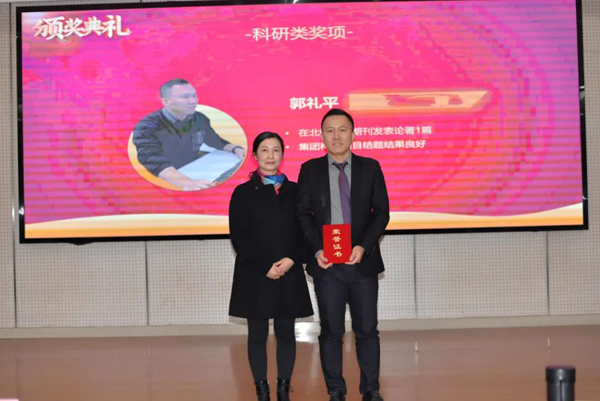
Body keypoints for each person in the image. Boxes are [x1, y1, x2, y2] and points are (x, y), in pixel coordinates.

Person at [296, 109, 390, 401]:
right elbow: (303, 214)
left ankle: (371, 389)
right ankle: (335, 390)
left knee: (367, 330)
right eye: (330, 130)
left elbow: (381, 213)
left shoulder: (370, 167)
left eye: (342, 130)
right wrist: (316, 249)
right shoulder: (309, 170)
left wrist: (363, 246)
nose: (336, 136)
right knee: (331, 332)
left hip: (362, 264)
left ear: (352, 134)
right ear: (321, 135)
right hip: (327, 266)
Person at [229, 132, 314, 401]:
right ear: (255, 155)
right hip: (255, 273)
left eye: (276, 150)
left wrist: (292, 259)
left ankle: (283, 388)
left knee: (286, 332)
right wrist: (266, 265)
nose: (270, 155)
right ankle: (262, 389)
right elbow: (239, 236)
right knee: (257, 334)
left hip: (289, 271)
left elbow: (306, 232)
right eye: (264, 150)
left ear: (282, 155)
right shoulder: (243, 193)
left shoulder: (296, 191)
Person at [132, 78, 246, 190]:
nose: (193, 101)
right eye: (185, 97)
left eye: (194, 95)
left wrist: (235, 148)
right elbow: (151, 159)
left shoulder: (199, 118)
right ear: (166, 101)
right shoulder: (147, 125)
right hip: (169, 179)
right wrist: (186, 182)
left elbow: (214, 140)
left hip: (196, 168)